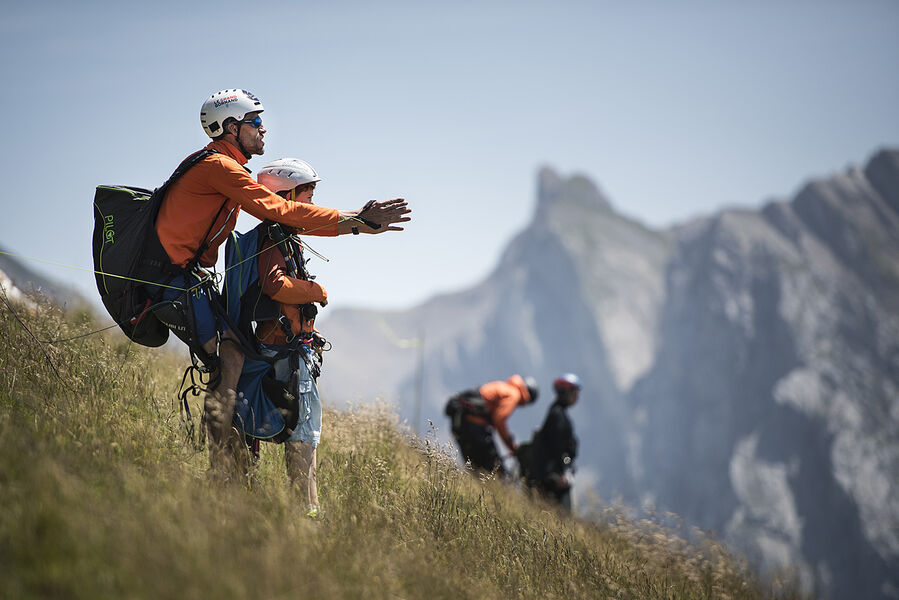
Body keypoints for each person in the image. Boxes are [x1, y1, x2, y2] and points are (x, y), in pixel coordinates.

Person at [153, 89, 411, 477]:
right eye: (255, 122)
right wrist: (357, 219)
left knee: (234, 355)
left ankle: (232, 466)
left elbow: (286, 213)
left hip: (187, 278)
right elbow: (282, 211)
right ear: (231, 127)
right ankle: (224, 469)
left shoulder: (226, 169)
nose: (263, 129)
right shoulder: (220, 168)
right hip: (172, 280)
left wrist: (357, 224)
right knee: (232, 356)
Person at [252, 157, 329, 517]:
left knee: (302, 434)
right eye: (307, 193)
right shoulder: (274, 236)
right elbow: (274, 284)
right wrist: (314, 291)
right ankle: (307, 513)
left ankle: (304, 510)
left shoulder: (281, 235)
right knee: (304, 437)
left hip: (286, 350)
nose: (311, 201)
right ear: (285, 194)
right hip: (288, 354)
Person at [449, 375, 539, 475]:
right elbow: (499, 419)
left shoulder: (504, 386)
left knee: (473, 466)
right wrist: (511, 446)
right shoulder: (514, 394)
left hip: (463, 421)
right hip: (475, 425)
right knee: (494, 468)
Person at [526, 373, 581, 511]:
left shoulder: (556, 412)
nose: (577, 397)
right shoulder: (558, 415)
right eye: (575, 392)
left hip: (552, 472)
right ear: (566, 393)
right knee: (560, 515)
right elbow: (557, 446)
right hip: (554, 475)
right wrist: (561, 471)